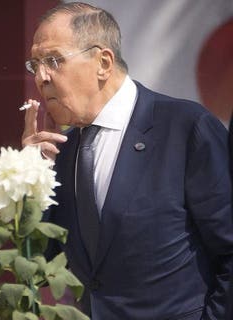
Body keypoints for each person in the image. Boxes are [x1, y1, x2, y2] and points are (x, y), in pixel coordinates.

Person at [21, 2, 233, 319]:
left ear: (103, 63)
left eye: (53, 61)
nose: (41, 77)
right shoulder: (58, 155)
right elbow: (38, 262)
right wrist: (30, 181)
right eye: (34, 65)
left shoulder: (186, 128)